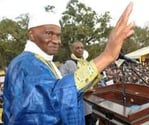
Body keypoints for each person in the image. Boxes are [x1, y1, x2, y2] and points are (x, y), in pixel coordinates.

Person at [3, 2, 134, 125]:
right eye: (49, 33)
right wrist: (107, 56)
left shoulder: (41, 60)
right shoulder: (25, 64)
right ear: (31, 34)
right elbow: (55, 99)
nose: (56, 41)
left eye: (58, 35)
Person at [59, 41, 97, 125]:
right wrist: (84, 90)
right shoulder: (69, 63)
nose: (80, 50)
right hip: (76, 106)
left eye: (82, 48)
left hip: (87, 105)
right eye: (77, 48)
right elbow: (67, 84)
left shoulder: (85, 63)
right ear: (72, 50)